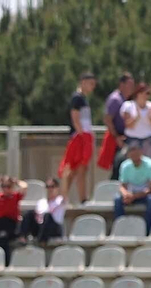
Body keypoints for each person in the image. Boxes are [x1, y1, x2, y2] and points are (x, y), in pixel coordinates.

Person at [60, 73, 98, 204]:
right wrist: (82, 136)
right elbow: (75, 118)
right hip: (79, 136)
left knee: (82, 168)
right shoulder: (77, 98)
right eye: (90, 83)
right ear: (83, 82)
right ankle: (66, 196)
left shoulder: (83, 98)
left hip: (84, 135)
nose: (92, 87)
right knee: (72, 168)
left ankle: (82, 197)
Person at [114, 142, 151, 235]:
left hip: (144, 195)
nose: (133, 153)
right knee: (117, 199)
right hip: (130, 194)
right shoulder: (125, 166)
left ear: (141, 151)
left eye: (135, 150)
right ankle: (121, 229)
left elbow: (150, 188)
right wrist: (125, 194)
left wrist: (134, 196)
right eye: (131, 150)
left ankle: (148, 231)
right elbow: (122, 185)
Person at [97, 73, 134, 178]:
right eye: (129, 84)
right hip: (117, 138)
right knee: (118, 166)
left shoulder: (127, 100)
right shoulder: (115, 99)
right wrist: (117, 137)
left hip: (126, 137)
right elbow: (107, 119)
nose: (131, 88)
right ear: (121, 85)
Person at [120, 81, 151, 161]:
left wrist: (150, 118)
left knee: (150, 164)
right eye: (147, 93)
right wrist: (137, 118)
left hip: (149, 141)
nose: (148, 96)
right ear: (139, 93)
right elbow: (128, 125)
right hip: (133, 141)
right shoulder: (128, 106)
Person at [21, 177, 65, 243]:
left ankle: (41, 241)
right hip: (41, 227)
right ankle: (23, 237)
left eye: (52, 186)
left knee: (47, 215)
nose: (49, 189)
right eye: (47, 187)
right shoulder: (41, 202)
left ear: (57, 188)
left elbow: (66, 191)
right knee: (29, 213)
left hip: (54, 228)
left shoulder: (61, 200)